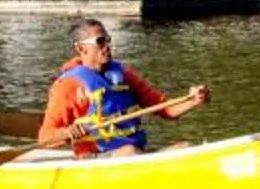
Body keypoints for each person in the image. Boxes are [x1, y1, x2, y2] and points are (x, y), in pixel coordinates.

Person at [38, 18, 207, 157]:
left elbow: (164, 108)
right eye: (100, 41)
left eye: (108, 40)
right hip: (96, 157)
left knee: (185, 148)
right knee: (129, 152)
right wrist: (67, 133)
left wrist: (193, 100)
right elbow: (44, 137)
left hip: (135, 153)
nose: (107, 46)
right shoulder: (67, 85)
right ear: (81, 48)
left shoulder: (125, 74)